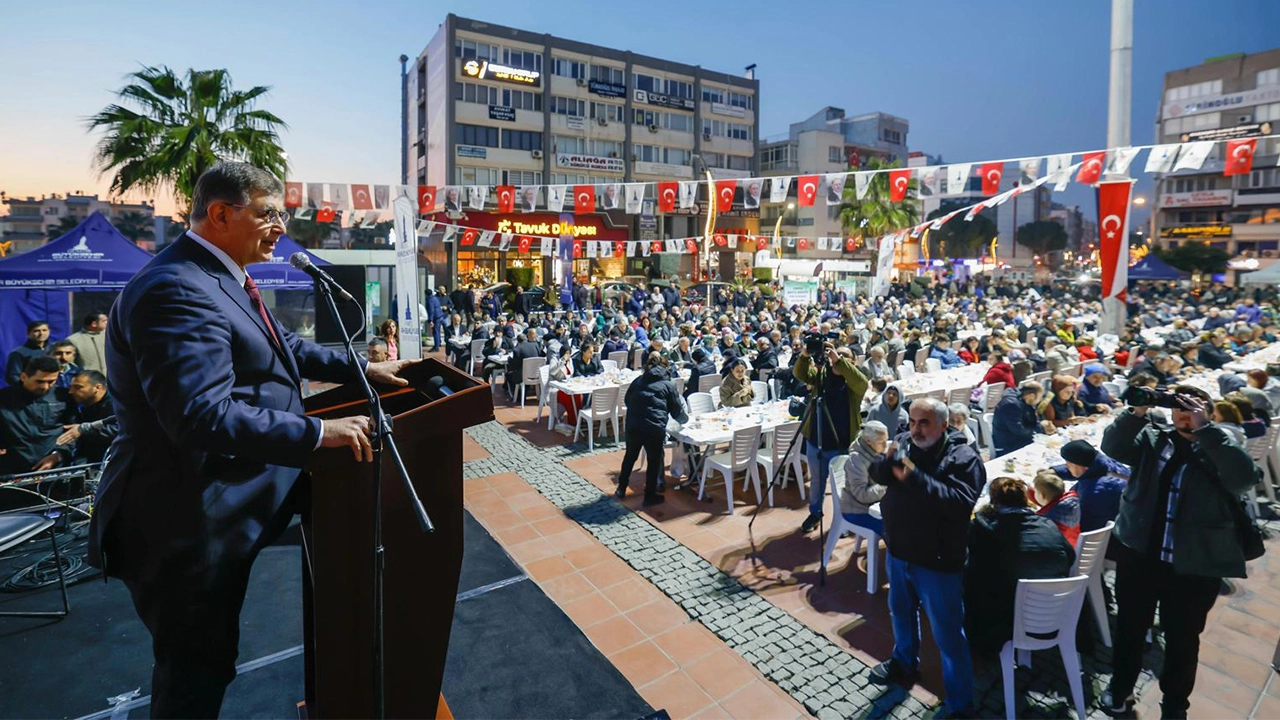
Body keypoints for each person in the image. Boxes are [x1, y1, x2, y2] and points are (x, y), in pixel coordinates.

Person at [86, 162, 416, 718]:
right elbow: (198, 415)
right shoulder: (175, 289)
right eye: (268, 214)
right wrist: (318, 432)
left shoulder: (222, 274)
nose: (281, 229)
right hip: (184, 518)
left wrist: (363, 370)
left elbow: (285, 348)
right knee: (195, 673)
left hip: (223, 500)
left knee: (204, 664)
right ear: (220, 213)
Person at [1099, 384, 1256, 719]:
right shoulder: (1154, 439)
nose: (1184, 413)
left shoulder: (1221, 444)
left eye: (1193, 407)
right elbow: (1112, 447)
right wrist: (1137, 410)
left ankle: (1174, 708)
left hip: (1195, 564)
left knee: (1182, 640)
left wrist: (1205, 430)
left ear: (1209, 412)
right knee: (1129, 629)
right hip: (1141, 555)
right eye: (1178, 407)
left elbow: (1243, 478)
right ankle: (1120, 690)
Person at [868, 398, 984, 717]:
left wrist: (912, 475)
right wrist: (885, 462)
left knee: (947, 634)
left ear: (944, 425)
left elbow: (959, 504)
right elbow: (880, 476)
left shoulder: (964, 458)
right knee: (900, 613)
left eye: (925, 423)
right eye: (913, 421)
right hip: (899, 552)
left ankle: (960, 703)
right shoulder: (904, 441)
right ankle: (904, 664)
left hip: (936, 563)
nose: (916, 429)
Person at [963, 476, 1075, 653]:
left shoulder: (983, 529)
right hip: (1057, 608)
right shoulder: (1047, 524)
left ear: (994, 502)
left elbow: (975, 571)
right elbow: (1070, 557)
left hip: (1007, 617)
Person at [795, 342, 869, 533]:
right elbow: (801, 374)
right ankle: (815, 513)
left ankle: (845, 520)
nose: (837, 358)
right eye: (834, 355)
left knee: (843, 486)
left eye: (844, 356)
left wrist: (839, 360)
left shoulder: (855, 383)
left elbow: (862, 383)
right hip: (817, 440)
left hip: (842, 443)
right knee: (817, 482)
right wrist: (804, 355)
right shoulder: (822, 376)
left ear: (851, 362)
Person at [614, 352, 687, 506]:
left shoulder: (638, 380)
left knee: (630, 456)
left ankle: (621, 488)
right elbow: (677, 411)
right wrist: (686, 420)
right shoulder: (669, 384)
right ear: (666, 369)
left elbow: (627, 400)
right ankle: (649, 496)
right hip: (654, 427)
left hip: (633, 423)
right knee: (654, 461)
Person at [0, 355, 76, 475]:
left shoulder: (63, 397)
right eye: (39, 381)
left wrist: (59, 455)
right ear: (24, 377)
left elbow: (73, 431)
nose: (45, 387)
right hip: (12, 470)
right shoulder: (4, 399)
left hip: (54, 470)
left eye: (51, 382)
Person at [1051, 439, 1128, 534]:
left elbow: (1082, 526)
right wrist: (1055, 471)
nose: (1066, 466)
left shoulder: (1093, 493)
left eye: (1069, 464)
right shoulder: (1103, 462)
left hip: (1111, 535)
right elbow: (1083, 472)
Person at [56, 369, 115, 464]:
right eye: (71, 387)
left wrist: (84, 429)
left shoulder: (117, 404)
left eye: (78, 387)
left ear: (97, 387)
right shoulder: (84, 405)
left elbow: (120, 429)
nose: (71, 392)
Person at [842, 421, 889, 535]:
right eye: (881, 442)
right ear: (868, 441)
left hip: (876, 506)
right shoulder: (855, 460)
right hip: (857, 511)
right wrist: (887, 485)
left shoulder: (877, 451)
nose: (885, 445)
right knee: (896, 530)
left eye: (886, 440)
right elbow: (861, 495)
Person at [992, 380, 1054, 456]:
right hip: (1008, 444)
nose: (1040, 400)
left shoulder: (1025, 399)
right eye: (1040, 397)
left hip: (1018, 438)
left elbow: (1031, 420)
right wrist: (1041, 427)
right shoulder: (1011, 404)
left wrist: (1042, 426)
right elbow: (1018, 430)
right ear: (1032, 395)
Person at [1030, 471, 1081, 546]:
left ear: (1042, 496)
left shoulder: (1045, 519)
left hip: (1060, 550)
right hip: (1074, 544)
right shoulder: (1073, 503)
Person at [5, 320, 50, 386]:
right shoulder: (19, 353)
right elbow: (13, 376)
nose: (41, 333)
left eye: (44, 330)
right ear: (28, 333)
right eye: (36, 331)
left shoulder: (53, 349)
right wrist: (29, 387)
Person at [505, 327, 543, 400]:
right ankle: (523, 392)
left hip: (524, 375)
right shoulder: (535, 345)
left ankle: (515, 395)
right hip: (537, 373)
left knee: (508, 375)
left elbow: (514, 365)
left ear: (518, 342)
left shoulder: (517, 349)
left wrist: (509, 360)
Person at [426, 288, 445, 352]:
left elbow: (431, 310)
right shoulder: (435, 298)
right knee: (437, 331)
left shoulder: (430, 300)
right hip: (440, 315)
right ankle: (437, 344)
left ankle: (436, 347)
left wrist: (430, 320)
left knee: (435, 332)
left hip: (436, 317)